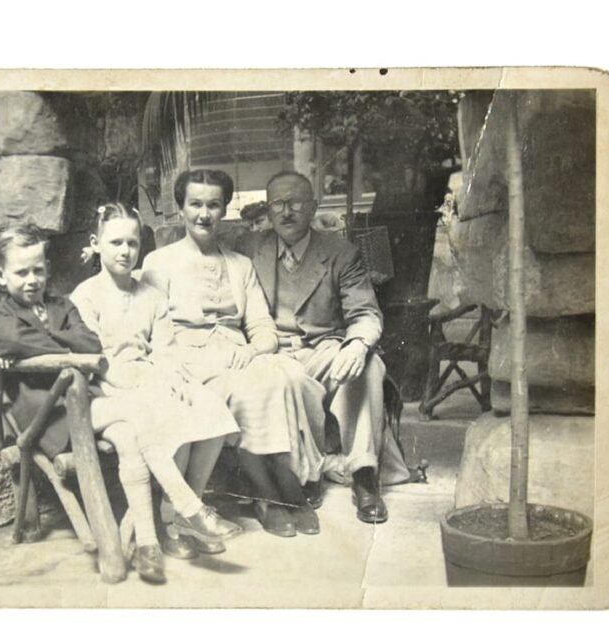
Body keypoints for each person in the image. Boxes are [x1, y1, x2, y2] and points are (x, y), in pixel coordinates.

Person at [0, 225, 238, 584]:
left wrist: (46, 341)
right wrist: (65, 346)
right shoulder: (1, 312)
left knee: (130, 435)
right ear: (1, 275)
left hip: (84, 405)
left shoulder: (61, 305)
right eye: (21, 272)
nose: (31, 279)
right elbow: (10, 340)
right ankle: (189, 507)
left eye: (37, 270)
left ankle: (149, 545)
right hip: (45, 415)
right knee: (135, 412)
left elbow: (90, 343)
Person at [142, 169, 328, 538]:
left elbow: (262, 327)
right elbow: (151, 331)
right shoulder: (158, 264)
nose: (204, 214)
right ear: (181, 209)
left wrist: (252, 348)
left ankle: (283, 485)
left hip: (235, 352)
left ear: (225, 209)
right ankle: (272, 495)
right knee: (251, 389)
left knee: (288, 375)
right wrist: (175, 365)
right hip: (185, 357)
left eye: (213, 205)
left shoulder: (240, 265)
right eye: (195, 204)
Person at [71, 203, 243, 572]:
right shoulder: (85, 296)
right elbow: (91, 355)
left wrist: (170, 376)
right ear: (96, 243)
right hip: (108, 387)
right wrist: (132, 380)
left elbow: (166, 349)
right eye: (115, 242)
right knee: (170, 414)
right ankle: (169, 522)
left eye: (132, 243)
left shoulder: (150, 295)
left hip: (149, 376)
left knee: (208, 405)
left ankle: (187, 513)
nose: (125, 251)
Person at [238, 171, 392, 523]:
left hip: (324, 348)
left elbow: (366, 312)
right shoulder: (249, 248)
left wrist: (356, 344)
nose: (286, 211)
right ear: (268, 208)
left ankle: (364, 476)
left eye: (295, 203)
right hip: (271, 352)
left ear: (313, 208)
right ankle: (302, 475)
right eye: (277, 203)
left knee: (370, 366)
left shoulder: (340, 253)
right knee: (280, 378)